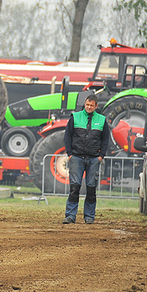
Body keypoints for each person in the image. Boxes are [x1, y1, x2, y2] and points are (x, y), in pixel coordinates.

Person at [62, 95, 110, 225]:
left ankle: (89, 216)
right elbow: (67, 136)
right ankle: (70, 216)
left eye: (91, 105)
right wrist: (70, 154)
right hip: (76, 157)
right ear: (85, 104)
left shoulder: (102, 120)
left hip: (94, 158)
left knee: (91, 188)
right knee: (74, 188)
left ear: (96, 106)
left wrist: (101, 156)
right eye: (87, 105)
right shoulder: (75, 117)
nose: (89, 107)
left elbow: (105, 140)